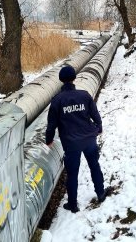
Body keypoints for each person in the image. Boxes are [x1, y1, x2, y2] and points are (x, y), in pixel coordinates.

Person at [45, 65, 107, 213]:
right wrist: (99, 127)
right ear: (74, 78)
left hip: (71, 143)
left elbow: (51, 124)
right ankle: (101, 193)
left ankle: (72, 204)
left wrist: (49, 139)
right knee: (95, 166)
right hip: (89, 139)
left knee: (72, 173)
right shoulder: (84, 95)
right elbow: (95, 115)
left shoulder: (57, 100)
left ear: (61, 80)